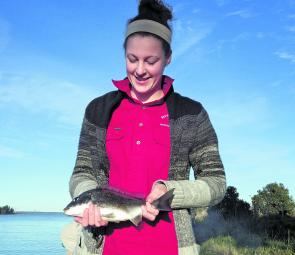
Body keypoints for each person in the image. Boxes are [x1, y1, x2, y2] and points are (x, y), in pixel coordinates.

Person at [61, 0, 226, 254]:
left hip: (171, 247)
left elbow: (216, 183)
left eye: (150, 61)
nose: (139, 70)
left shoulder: (192, 114)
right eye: (132, 59)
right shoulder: (97, 110)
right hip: (107, 248)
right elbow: (82, 172)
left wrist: (171, 191)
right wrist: (88, 199)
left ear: (168, 58)